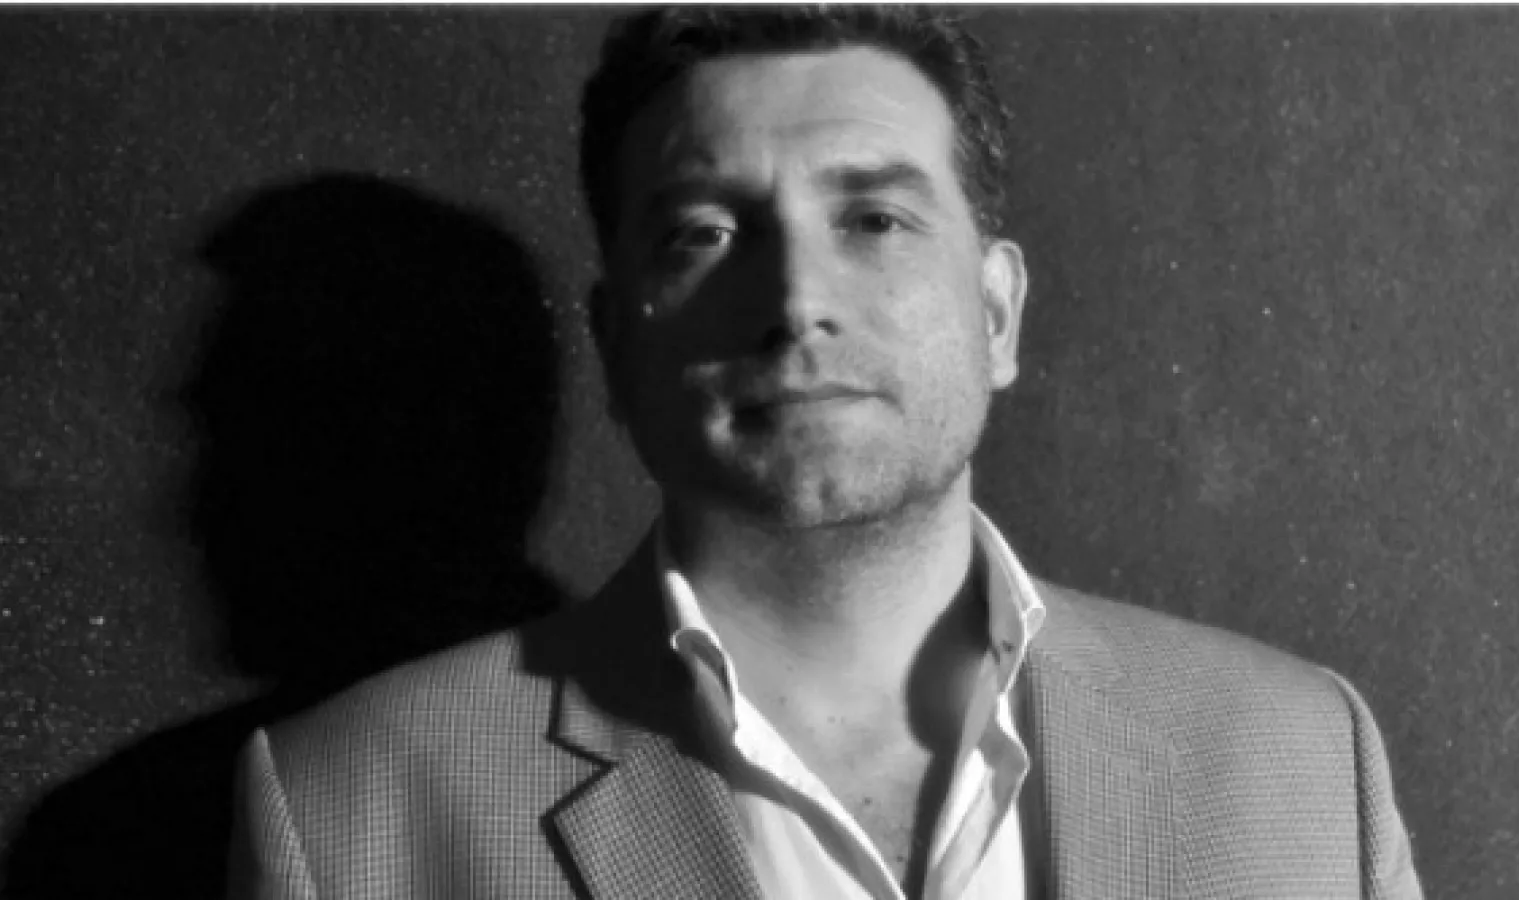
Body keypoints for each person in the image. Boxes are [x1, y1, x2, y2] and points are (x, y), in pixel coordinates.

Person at [229, 7, 1423, 899]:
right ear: (613, 345)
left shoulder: (1302, 763)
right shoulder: (353, 812)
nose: (797, 300)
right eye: (706, 233)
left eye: (874, 219)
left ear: (996, 313)